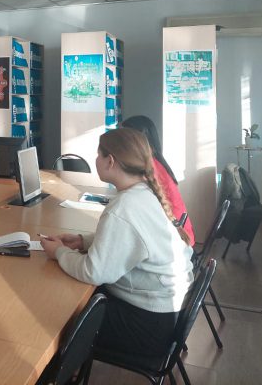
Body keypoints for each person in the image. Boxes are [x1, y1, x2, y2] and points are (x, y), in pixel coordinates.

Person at [41, 128, 193, 358]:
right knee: (75, 295)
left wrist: (59, 252)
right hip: (166, 314)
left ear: (110, 161)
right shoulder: (143, 192)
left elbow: (93, 272)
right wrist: (83, 241)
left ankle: (57, 370)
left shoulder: (123, 208)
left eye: (98, 155)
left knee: (59, 316)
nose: (96, 159)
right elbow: (131, 240)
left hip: (147, 327)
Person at [121, 114, 195, 244]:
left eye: (126, 137)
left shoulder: (150, 166)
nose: (122, 142)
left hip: (177, 238)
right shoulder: (153, 160)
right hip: (176, 231)